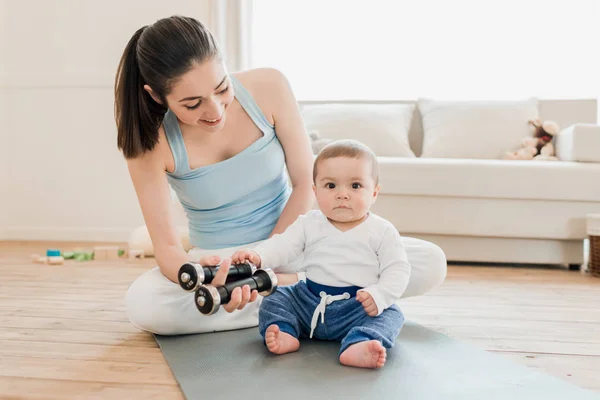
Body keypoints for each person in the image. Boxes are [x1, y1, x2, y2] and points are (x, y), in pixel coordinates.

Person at [115, 15, 447, 336]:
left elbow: (305, 183)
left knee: (429, 261)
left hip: (297, 242)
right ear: (157, 96)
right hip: (223, 262)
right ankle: (312, 299)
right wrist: (207, 278)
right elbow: (168, 250)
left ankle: (278, 299)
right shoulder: (149, 144)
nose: (215, 110)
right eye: (192, 104)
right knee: (144, 304)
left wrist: (268, 263)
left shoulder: (269, 86)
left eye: (221, 88)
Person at [229, 140, 408, 369]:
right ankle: (285, 331)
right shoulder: (309, 223)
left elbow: (398, 268)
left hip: (357, 307)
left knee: (392, 313)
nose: (342, 195)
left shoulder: (382, 231)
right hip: (309, 301)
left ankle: (360, 341)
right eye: (331, 186)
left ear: (374, 192)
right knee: (276, 297)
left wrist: (380, 295)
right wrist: (258, 256)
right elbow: (283, 245)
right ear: (315, 191)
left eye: (355, 186)